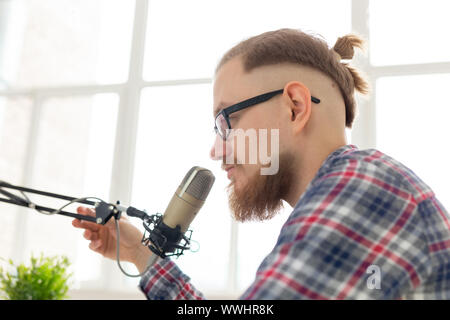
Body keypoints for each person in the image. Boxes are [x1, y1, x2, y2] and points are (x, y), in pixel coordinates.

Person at [72, 28, 450, 299]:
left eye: (227, 121)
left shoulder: (365, 187)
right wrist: (142, 254)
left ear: (295, 107)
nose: (216, 151)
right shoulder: (355, 190)